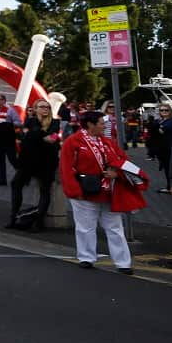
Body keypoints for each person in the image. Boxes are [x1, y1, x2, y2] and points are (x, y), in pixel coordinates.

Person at [60, 110, 142, 274]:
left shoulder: (107, 142)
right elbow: (66, 168)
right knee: (85, 227)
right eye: (101, 123)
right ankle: (86, 257)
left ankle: (123, 262)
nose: (104, 126)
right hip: (85, 191)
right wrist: (74, 191)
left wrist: (117, 173)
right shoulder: (73, 142)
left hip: (108, 191)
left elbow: (124, 161)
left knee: (115, 227)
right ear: (90, 124)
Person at [8, 98, 60, 231]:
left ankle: (39, 222)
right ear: (35, 109)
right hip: (28, 160)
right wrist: (42, 135)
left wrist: (34, 134)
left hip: (46, 161)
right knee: (16, 184)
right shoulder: (29, 121)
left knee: (44, 189)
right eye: (42, 107)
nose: (45, 109)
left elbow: (53, 139)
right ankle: (13, 217)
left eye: (47, 107)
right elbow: (25, 139)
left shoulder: (55, 123)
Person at [0, 94, 18, 185]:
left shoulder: (10, 110)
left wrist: (9, 126)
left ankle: (24, 176)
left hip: (8, 139)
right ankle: (2, 180)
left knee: (13, 159)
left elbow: (18, 122)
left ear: (4, 100)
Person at [158, 104, 172, 194]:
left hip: (170, 147)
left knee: (170, 168)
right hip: (163, 148)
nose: (164, 112)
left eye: (166, 110)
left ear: (170, 111)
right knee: (166, 167)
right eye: (162, 110)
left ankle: (170, 187)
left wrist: (162, 128)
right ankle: (170, 186)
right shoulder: (161, 121)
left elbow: (169, 128)